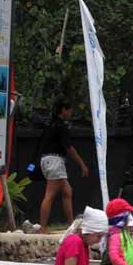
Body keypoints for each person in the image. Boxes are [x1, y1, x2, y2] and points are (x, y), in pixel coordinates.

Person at [38, 99, 90, 231]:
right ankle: (43, 227)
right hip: (55, 161)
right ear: (63, 110)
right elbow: (69, 148)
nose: (71, 112)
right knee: (49, 195)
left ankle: (71, 224)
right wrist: (82, 164)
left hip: (47, 160)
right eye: (69, 109)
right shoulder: (61, 126)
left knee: (67, 191)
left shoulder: (50, 125)